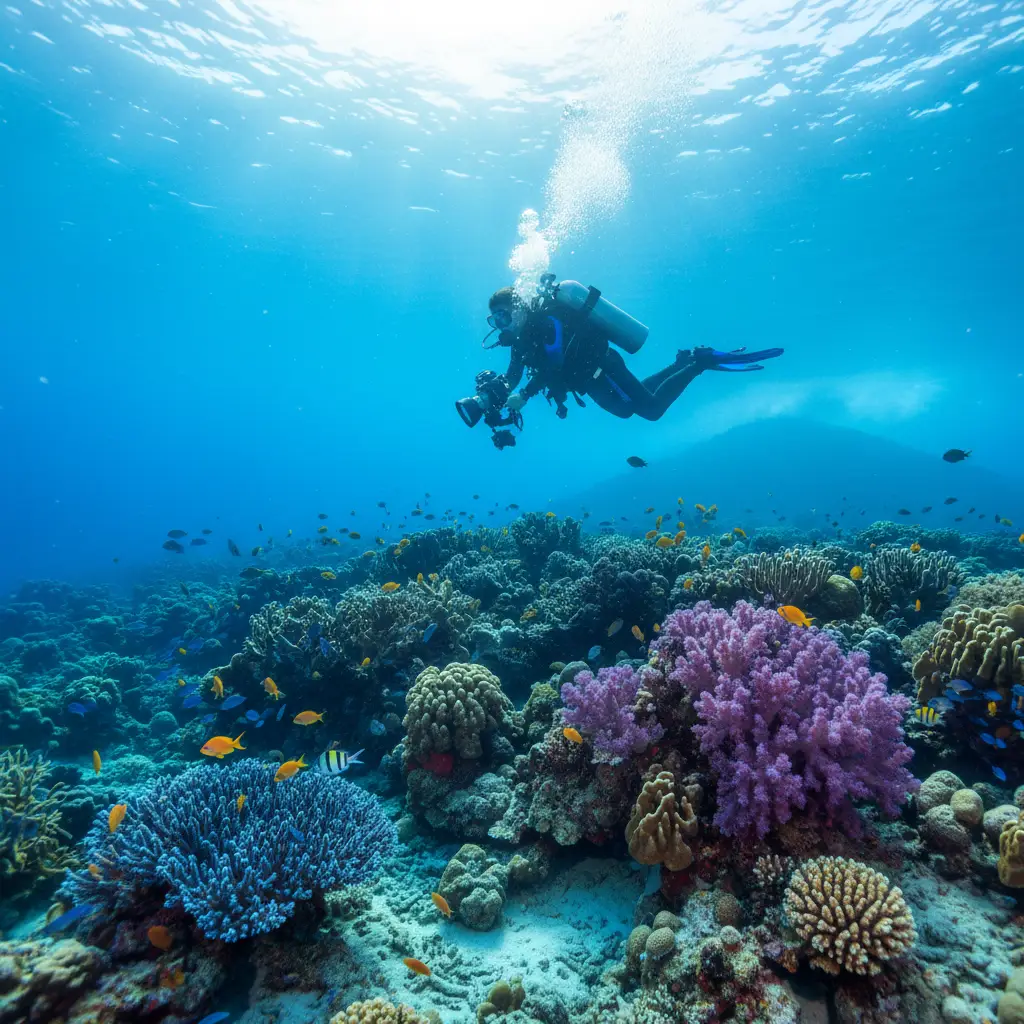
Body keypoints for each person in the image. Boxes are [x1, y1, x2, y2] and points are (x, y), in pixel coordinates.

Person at [483, 283, 783, 423]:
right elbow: (514, 374)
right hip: (588, 381)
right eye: (494, 320)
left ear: (519, 308)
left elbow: (555, 364)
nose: (499, 325)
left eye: (503, 316)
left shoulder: (548, 322)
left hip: (603, 367)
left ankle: (699, 363)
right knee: (630, 409)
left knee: (650, 411)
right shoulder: (520, 342)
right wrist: (494, 393)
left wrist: (525, 395)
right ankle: (682, 363)